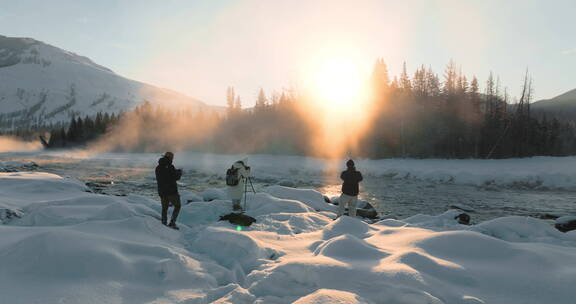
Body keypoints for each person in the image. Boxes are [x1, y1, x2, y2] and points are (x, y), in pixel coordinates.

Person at [155, 152, 183, 229]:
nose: (173, 159)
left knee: (164, 208)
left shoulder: (158, 167)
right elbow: (175, 177)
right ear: (170, 158)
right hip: (171, 191)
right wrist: (179, 173)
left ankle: (164, 223)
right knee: (177, 206)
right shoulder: (170, 167)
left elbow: (165, 176)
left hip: (162, 191)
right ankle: (172, 223)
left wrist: (174, 171)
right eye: (172, 158)